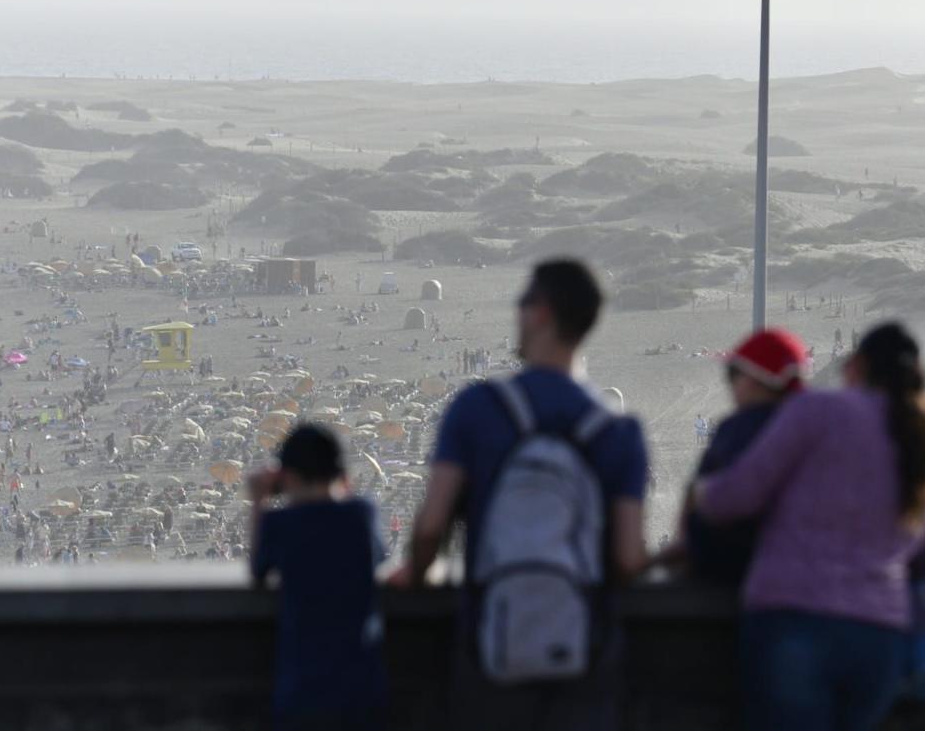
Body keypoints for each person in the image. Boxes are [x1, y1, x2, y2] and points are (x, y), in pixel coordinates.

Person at [398, 259, 648, 731]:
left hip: (492, 640)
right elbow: (629, 558)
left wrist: (415, 571)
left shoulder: (477, 409)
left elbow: (431, 526)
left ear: (541, 314)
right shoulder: (619, 432)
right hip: (584, 646)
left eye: (521, 302)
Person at [693, 322, 925, 730]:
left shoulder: (818, 411)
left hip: (793, 619)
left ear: (857, 367)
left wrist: (701, 494)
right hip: (880, 634)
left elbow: (738, 497)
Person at [249, 423, 386, 731]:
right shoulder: (362, 515)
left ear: (287, 477)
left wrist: (260, 499)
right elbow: (378, 555)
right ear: (341, 474)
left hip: (303, 688)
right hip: (361, 686)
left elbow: (258, 569)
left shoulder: (280, 524)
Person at [659, 329, 807, 586]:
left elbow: (699, 503)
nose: (730, 385)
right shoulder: (814, 428)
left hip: (738, 577)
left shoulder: (738, 428)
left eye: (732, 375)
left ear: (753, 379)